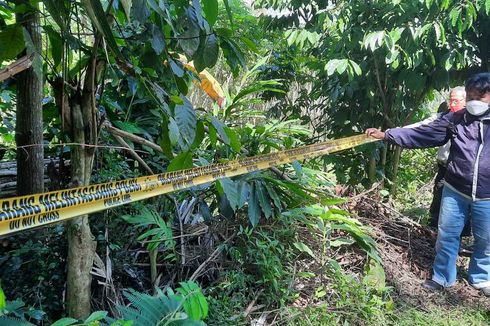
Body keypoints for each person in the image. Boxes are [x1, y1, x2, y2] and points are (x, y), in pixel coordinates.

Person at [365, 72, 490, 296]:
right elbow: (423, 134)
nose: (473, 102)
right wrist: (387, 135)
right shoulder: (456, 119)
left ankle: (481, 278)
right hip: (455, 189)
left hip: (487, 195)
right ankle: (442, 278)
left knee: (485, 238)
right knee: (447, 234)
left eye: (479, 98)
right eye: (470, 96)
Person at [428, 87, 466, 229]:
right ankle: (433, 230)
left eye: (456, 101)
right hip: (444, 168)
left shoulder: (471, 121)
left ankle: (460, 236)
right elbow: (422, 127)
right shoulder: (443, 117)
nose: (452, 104)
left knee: (460, 205)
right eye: (451, 100)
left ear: (466, 101)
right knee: (438, 199)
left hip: (462, 171)